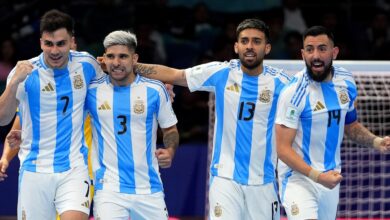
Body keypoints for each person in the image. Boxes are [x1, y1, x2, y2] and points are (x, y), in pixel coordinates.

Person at [131, 18, 291, 220]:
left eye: (256, 41)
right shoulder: (221, 72)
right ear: (236, 46)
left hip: (263, 181)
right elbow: (175, 74)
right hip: (225, 178)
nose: (250, 46)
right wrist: (130, 65)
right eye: (244, 41)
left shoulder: (282, 82)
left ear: (267, 48)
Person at [275, 25, 390, 220]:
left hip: (330, 177)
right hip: (298, 178)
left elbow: (350, 125)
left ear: (334, 52)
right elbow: (283, 150)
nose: (315, 56)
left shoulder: (346, 82)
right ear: (303, 54)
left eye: (322, 48)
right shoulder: (293, 93)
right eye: (310, 49)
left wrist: (375, 142)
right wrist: (317, 177)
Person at [0, 9, 106, 220]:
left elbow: (115, 85)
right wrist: (12, 84)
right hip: (34, 171)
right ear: (41, 42)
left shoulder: (87, 64)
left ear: (72, 41)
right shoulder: (25, 72)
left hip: (74, 169)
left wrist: (160, 87)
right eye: (49, 44)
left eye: (61, 43)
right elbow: (3, 118)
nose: (55, 50)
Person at [87, 30, 179, 220]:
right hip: (109, 189)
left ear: (134, 58)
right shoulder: (91, 90)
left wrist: (170, 151)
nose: (116, 62)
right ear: (104, 59)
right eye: (111, 56)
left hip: (149, 188)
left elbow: (169, 129)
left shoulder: (155, 90)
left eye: (123, 56)